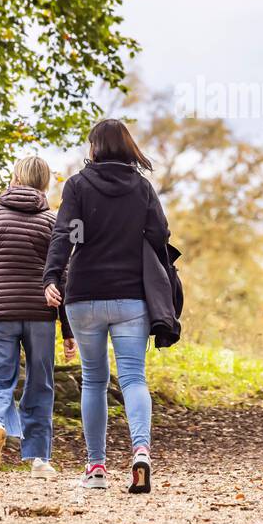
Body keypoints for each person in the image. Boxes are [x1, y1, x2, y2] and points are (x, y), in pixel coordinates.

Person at [43, 119, 172, 494]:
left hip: (83, 296)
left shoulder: (78, 185)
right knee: (133, 378)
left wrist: (52, 277)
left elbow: (64, 233)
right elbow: (161, 234)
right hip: (131, 296)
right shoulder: (142, 188)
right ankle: (141, 451)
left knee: (95, 381)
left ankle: (96, 467)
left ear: (96, 148)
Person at [0, 156, 75, 478]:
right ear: (44, 183)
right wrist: (68, 329)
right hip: (40, 314)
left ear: (14, 178)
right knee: (41, 382)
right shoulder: (53, 222)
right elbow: (62, 277)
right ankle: (39, 459)